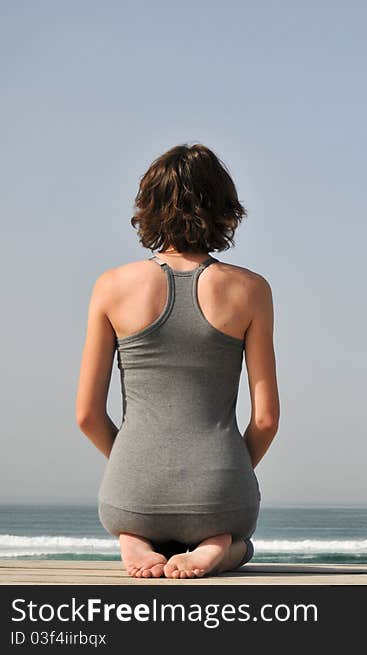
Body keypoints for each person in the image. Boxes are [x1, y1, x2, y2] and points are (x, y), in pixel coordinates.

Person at [75, 143, 280, 579]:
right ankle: (218, 546)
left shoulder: (111, 286)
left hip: (131, 490)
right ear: (224, 208)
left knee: (131, 519)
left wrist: (134, 465)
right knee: (243, 543)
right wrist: (227, 475)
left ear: (147, 206)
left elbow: (87, 415)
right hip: (220, 491)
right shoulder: (250, 289)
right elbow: (265, 420)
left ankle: (133, 539)